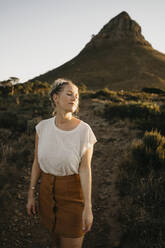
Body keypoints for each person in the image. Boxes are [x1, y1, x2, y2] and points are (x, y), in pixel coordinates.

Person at [26, 78, 97, 248]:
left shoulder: (84, 130)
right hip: (46, 194)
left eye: (77, 96)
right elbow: (37, 162)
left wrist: (88, 207)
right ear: (55, 97)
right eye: (70, 94)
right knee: (55, 241)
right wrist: (31, 194)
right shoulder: (42, 128)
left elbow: (85, 169)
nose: (75, 98)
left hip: (73, 196)